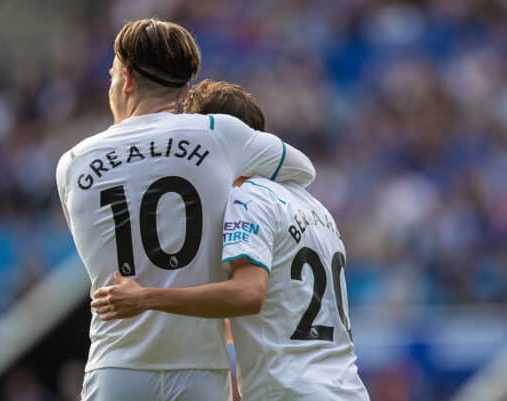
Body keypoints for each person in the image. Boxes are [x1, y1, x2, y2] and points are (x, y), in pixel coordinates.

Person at [55, 19, 316, 401]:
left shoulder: (73, 162)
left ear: (126, 79)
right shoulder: (217, 132)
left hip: (117, 366)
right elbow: (302, 170)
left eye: (113, 77)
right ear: (185, 89)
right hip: (200, 370)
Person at [92, 80, 370, 401]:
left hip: (291, 393)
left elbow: (249, 294)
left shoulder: (246, 197)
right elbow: (279, 311)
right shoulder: (316, 209)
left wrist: (146, 298)